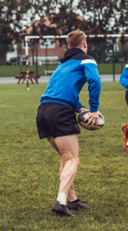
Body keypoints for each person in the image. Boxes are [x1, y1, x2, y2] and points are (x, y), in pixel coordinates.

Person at [36, 29, 102, 216]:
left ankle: (72, 200)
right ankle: (60, 201)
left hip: (43, 111)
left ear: (68, 46)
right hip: (59, 112)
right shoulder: (86, 59)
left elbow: (62, 92)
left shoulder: (62, 65)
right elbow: (95, 81)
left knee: (66, 158)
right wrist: (94, 108)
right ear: (84, 44)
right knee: (73, 159)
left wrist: (81, 108)